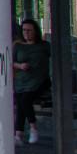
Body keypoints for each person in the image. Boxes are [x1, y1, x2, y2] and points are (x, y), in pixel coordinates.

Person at [13, 18, 50, 146]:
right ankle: (18, 135)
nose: (26, 33)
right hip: (22, 80)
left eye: (29, 30)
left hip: (39, 80)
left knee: (25, 100)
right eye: (24, 30)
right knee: (20, 103)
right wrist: (20, 66)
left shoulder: (44, 46)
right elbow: (11, 61)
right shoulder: (18, 46)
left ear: (35, 31)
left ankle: (33, 128)